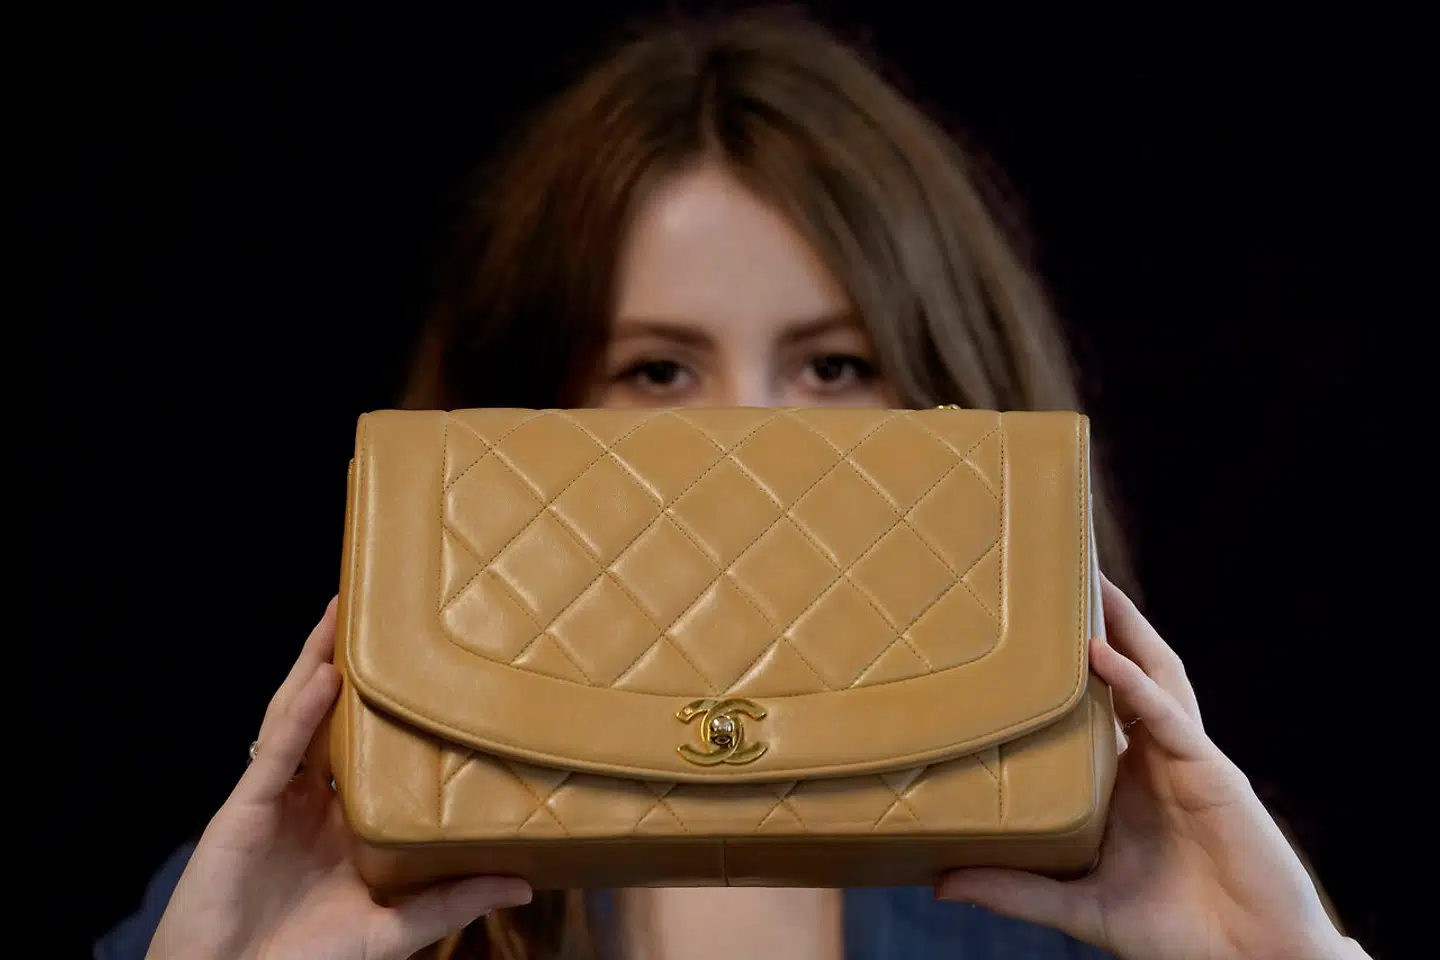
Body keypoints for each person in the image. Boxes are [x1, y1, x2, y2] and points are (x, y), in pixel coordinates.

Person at [97, 10, 1373, 960]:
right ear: (516, 423)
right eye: (657, 371)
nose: (748, 447)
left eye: (833, 365)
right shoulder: (305, 901)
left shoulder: (1116, 905)